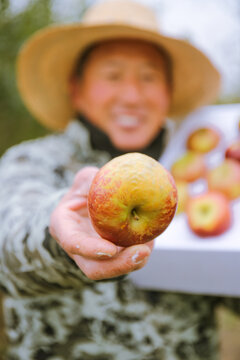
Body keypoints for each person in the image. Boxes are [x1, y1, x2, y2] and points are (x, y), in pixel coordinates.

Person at [0, 1, 240, 359]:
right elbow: (8, 243)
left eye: (148, 77)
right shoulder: (31, 162)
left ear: (168, 91)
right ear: (76, 89)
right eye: (112, 76)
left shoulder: (203, 175)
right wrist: (60, 235)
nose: (132, 96)